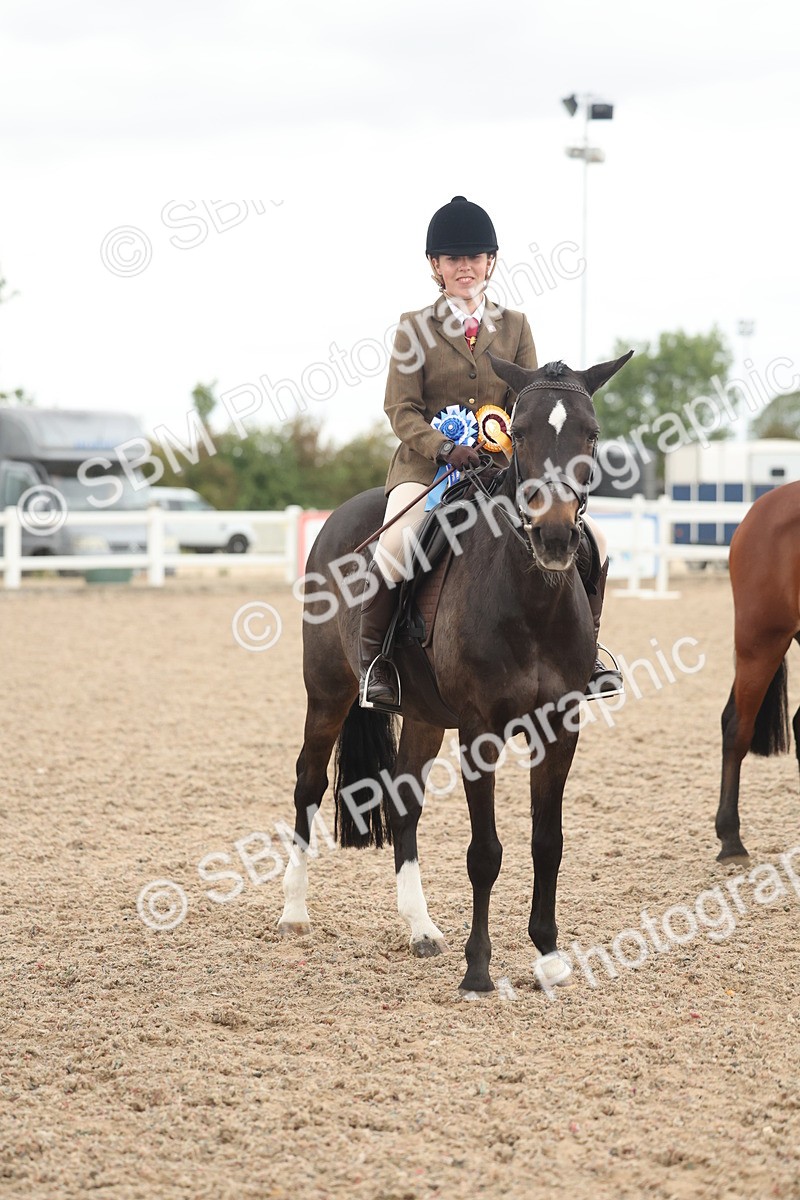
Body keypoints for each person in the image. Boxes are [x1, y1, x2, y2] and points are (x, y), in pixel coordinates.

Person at [358, 195, 623, 708]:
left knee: (598, 540)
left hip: (502, 470)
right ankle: (379, 663)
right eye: (454, 259)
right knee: (394, 547)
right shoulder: (414, 327)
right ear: (435, 266)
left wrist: (509, 445)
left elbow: (529, 403)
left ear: (490, 263)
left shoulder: (516, 325)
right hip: (427, 471)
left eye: (475, 258)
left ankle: (586, 656)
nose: (465, 267)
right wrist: (443, 447)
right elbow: (400, 407)